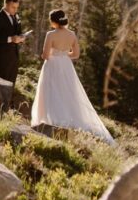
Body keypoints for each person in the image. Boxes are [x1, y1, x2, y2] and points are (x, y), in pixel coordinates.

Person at [31, 9, 114, 144]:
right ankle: (69, 118)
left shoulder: (50, 35)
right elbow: (76, 54)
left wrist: (53, 55)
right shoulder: (72, 34)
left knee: (50, 90)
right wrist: (63, 55)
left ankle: (49, 119)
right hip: (66, 65)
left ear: (53, 21)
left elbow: (45, 55)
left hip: (52, 65)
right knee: (67, 92)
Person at [0, 0, 25, 93]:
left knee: (12, 83)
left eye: (17, 7)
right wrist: (10, 39)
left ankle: (10, 105)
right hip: (3, 56)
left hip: (14, 55)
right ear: (6, 4)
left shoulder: (16, 17)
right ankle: (2, 106)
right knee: (4, 83)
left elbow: (17, 32)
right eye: (13, 7)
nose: (15, 10)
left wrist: (21, 38)